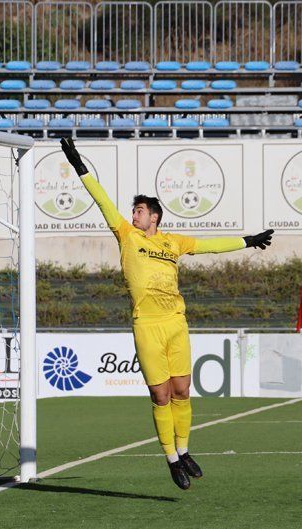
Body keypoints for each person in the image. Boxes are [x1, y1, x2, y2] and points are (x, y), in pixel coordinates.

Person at [61, 138, 274, 490]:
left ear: (154, 216)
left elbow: (209, 246)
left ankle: (185, 450)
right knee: (160, 396)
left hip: (176, 322)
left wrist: (247, 241)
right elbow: (101, 200)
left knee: (183, 391)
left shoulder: (173, 242)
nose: (133, 215)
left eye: (139, 211)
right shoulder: (127, 235)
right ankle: (172, 459)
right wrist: (78, 165)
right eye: (133, 211)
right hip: (147, 325)